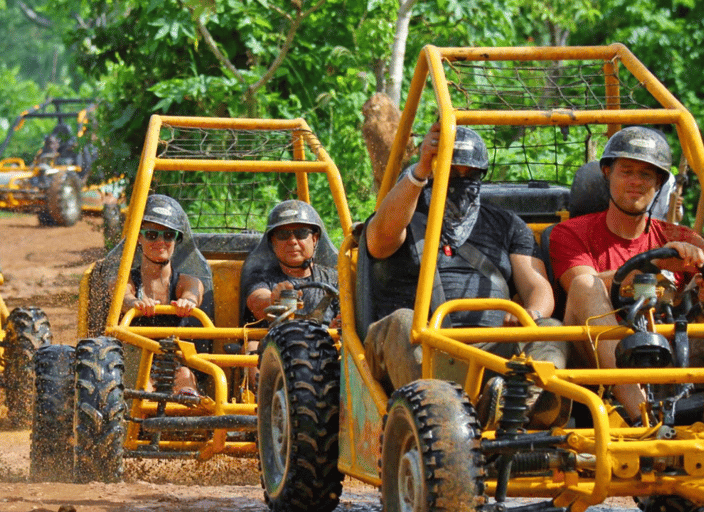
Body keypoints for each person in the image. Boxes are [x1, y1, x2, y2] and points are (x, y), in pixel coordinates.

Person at [363, 122, 568, 429]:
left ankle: (512, 408)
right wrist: (420, 169)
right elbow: (380, 239)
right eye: (449, 170)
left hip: (490, 348)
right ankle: (442, 416)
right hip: (418, 344)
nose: (458, 180)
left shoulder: (507, 224)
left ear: (480, 175)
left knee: (551, 329)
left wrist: (531, 313)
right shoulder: (405, 213)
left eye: (468, 173)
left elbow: (538, 286)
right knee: (404, 321)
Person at [549, 126, 704, 422]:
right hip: (592, 356)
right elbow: (579, 286)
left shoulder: (680, 238)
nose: (635, 182)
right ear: (607, 173)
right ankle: (645, 419)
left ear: (659, 183)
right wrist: (652, 267)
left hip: (671, 351)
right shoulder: (569, 233)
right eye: (627, 171)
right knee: (585, 284)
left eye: (646, 175)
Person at [121, 194, 204, 396]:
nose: (160, 241)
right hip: (134, 363)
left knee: (185, 376)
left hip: (172, 364)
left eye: (168, 236)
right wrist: (136, 303)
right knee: (143, 386)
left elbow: (194, 292)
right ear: (138, 238)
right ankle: (143, 424)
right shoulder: (126, 279)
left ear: (176, 240)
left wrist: (188, 302)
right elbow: (123, 297)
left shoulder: (186, 281)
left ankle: (187, 424)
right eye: (151, 235)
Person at [244, 199, 339, 328]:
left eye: (301, 233)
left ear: (315, 239)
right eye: (283, 234)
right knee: (252, 345)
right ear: (273, 242)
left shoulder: (335, 279)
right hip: (273, 345)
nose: (292, 241)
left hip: (323, 345)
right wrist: (273, 300)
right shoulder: (260, 277)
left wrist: (339, 326)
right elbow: (257, 302)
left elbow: (348, 316)